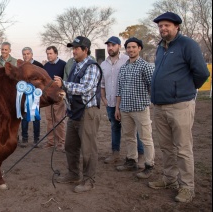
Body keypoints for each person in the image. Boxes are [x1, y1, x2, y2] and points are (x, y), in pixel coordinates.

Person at [148, 12, 210, 203]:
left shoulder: (187, 45)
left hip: (180, 105)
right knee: (166, 147)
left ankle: (187, 187)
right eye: (160, 26)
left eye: (166, 25)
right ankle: (169, 179)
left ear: (177, 27)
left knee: (183, 149)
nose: (163, 29)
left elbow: (201, 73)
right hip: (159, 106)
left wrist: (185, 90)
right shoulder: (160, 48)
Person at [54, 36, 102, 193]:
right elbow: (73, 89)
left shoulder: (92, 67)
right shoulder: (74, 65)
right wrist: (65, 96)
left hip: (88, 112)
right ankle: (74, 174)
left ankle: (89, 180)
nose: (73, 51)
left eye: (76, 48)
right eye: (72, 48)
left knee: (88, 149)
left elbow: (85, 88)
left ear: (85, 50)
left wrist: (64, 84)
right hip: (74, 111)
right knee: (70, 146)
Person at [100, 36, 145, 167]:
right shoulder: (103, 64)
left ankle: (140, 154)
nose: (110, 48)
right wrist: (103, 98)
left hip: (127, 102)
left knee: (133, 129)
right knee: (114, 127)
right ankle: (115, 153)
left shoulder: (127, 60)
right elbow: (102, 84)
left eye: (113, 45)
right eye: (108, 45)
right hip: (110, 102)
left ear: (119, 46)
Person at [114, 37, 155, 179]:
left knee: (146, 138)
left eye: (133, 47)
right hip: (125, 108)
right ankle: (131, 160)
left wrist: (148, 102)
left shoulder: (145, 66)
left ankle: (149, 165)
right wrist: (117, 108)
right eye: (128, 47)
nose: (131, 49)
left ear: (139, 48)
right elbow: (119, 90)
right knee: (129, 137)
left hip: (140, 108)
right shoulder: (123, 67)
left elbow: (152, 86)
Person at [18, 47, 44, 148]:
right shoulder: (20, 66)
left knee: (36, 118)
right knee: (24, 118)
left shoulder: (39, 65)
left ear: (32, 54)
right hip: (24, 96)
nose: (26, 56)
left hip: (36, 95)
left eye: (28, 54)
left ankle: (36, 140)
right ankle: (24, 139)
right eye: (24, 54)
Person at [43, 46, 66, 151]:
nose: (49, 55)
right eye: (47, 54)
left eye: (51, 53)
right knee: (49, 119)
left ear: (56, 53)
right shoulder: (46, 66)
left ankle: (61, 142)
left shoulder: (63, 65)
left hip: (58, 97)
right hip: (48, 97)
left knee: (59, 119)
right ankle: (51, 142)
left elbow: (66, 81)